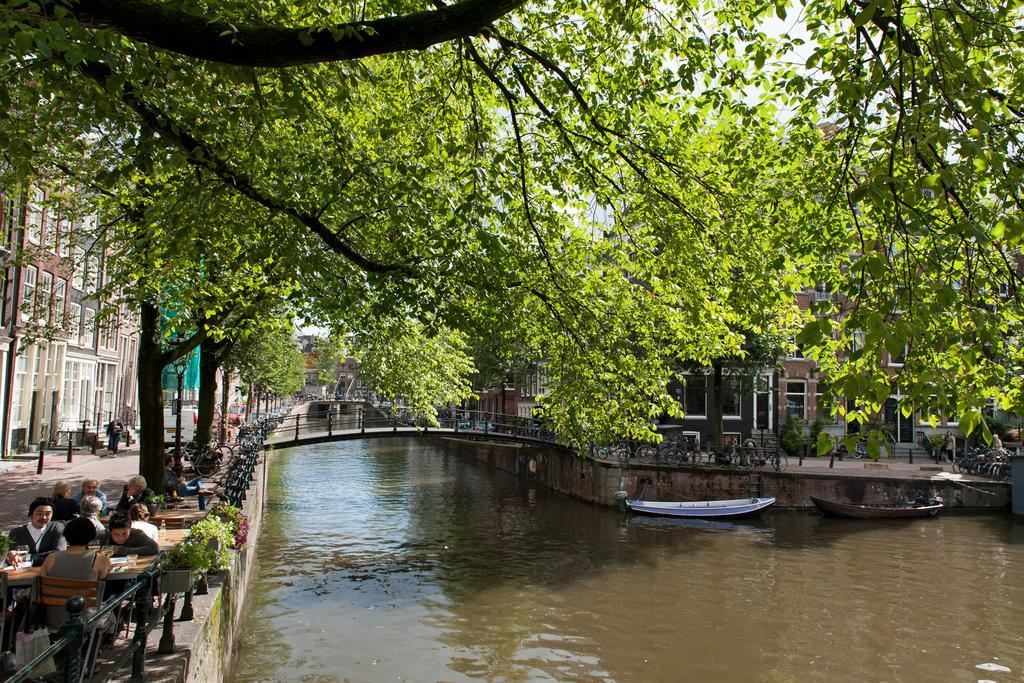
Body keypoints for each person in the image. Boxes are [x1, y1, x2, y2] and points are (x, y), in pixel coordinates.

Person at [39, 518, 112, 628]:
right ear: (91, 536)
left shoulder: (51, 558)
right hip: (85, 618)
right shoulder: (97, 558)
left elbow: (42, 580)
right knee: (112, 611)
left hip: (53, 617)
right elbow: (104, 575)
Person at [5, 497, 67, 565]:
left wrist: (28, 557)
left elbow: (59, 553)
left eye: (48, 514)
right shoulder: (17, 532)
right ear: (31, 514)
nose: (44, 517)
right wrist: (11, 555)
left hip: (50, 571)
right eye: (40, 513)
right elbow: (12, 556)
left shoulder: (56, 527)